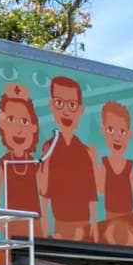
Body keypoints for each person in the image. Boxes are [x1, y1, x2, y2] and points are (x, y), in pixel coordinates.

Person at [36, 76, 98, 242]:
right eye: (59, 103)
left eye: (72, 105)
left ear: (80, 109)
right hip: (60, 222)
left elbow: (92, 190)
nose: (66, 111)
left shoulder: (85, 151)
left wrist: (94, 222)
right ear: (51, 105)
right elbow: (44, 188)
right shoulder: (50, 147)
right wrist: (44, 220)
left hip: (83, 222)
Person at [0, 83, 45, 238]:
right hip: (13, 220)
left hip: (33, 221)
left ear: (33, 127)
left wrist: (45, 222)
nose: (18, 128)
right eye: (11, 119)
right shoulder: (3, 162)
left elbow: (42, 193)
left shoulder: (34, 163)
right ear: (2, 124)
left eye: (24, 121)